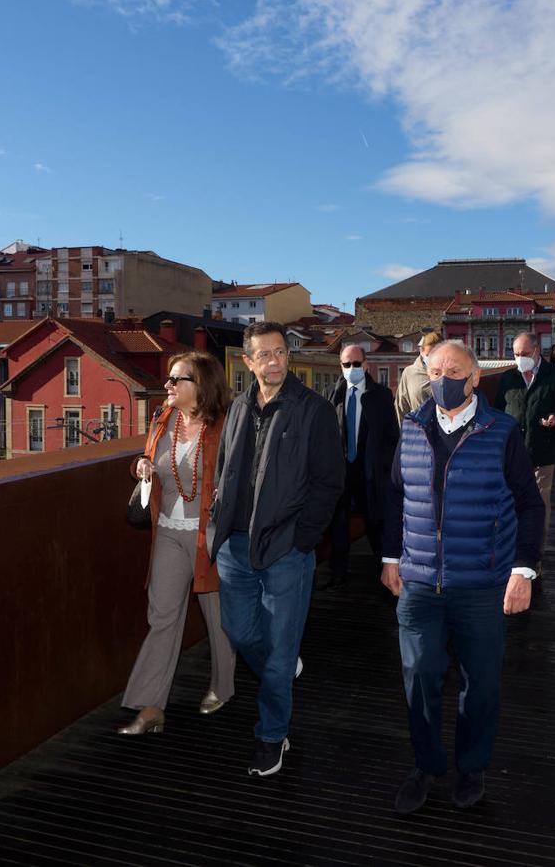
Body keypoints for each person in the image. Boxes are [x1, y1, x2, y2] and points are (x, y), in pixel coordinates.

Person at [381, 339, 544, 814]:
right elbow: (395, 496)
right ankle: (426, 764)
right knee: (420, 675)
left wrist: (523, 570)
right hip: (418, 583)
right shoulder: (411, 428)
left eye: (454, 372)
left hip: (482, 581)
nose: (443, 380)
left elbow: (530, 504)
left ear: (474, 379)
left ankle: (472, 765)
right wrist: (390, 558)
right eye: (435, 371)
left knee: (482, 682)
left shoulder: (503, 431)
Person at [207, 321, 345, 776]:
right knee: (242, 632)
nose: (273, 360)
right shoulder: (238, 408)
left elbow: (330, 483)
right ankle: (281, 668)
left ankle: (271, 737)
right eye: (263, 354)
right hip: (235, 547)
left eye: (280, 352)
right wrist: (217, 524)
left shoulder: (314, 411)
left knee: (281, 651)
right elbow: (224, 469)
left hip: (286, 547)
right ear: (248, 362)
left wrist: (304, 538)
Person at [118, 351, 236, 735]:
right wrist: (141, 465)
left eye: (176, 379)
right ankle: (150, 707)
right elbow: (151, 458)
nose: (167, 385)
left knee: (218, 618)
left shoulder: (225, 425)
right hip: (167, 530)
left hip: (211, 537)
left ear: (200, 386)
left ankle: (222, 687)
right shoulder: (162, 418)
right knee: (162, 617)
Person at [493, 332, 555, 559]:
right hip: (512, 456)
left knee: (539, 508)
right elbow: (498, 411)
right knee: (510, 508)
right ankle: (510, 557)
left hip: (543, 454)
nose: (520, 358)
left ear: (537, 352)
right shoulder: (509, 377)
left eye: (525, 354)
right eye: (517, 354)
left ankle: (533, 560)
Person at [323, 343, 399, 590]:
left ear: (366, 365)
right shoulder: (332, 394)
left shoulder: (381, 395)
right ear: (340, 367)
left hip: (371, 473)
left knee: (376, 523)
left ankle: (385, 573)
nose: (352, 369)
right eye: (347, 365)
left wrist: (386, 471)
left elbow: (391, 437)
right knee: (338, 525)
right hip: (342, 472)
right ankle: (338, 573)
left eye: (357, 364)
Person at [395, 331, 442, 423]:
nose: (433, 359)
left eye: (437, 355)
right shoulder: (410, 373)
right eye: (429, 355)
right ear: (422, 351)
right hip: (418, 431)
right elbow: (401, 407)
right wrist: (403, 434)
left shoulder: (452, 374)